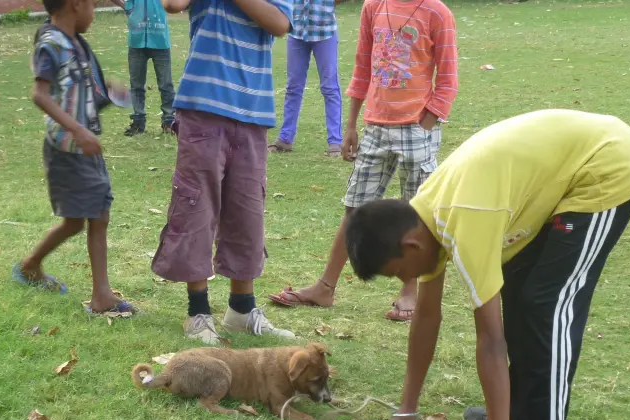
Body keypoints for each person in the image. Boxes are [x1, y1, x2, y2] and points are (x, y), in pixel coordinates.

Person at [345, 110, 630, 420]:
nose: (404, 281)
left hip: (608, 167)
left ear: (411, 247)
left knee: (546, 305)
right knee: (520, 295)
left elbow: (490, 341)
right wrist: (406, 410)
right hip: (558, 177)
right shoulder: (422, 217)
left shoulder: (464, 221)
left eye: (398, 273)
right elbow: (426, 319)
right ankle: (519, 414)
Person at [269, 0, 458, 322]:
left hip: (416, 127)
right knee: (355, 207)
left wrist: (426, 122)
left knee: (417, 212)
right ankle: (325, 287)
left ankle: (409, 290)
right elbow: (362, 67)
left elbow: (448, 76)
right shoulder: (373, 6)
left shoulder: (437, 12)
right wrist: (352, 124)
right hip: (375, 125)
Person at [151, 0, 295, 345]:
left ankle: (242, 311)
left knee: (247, 213)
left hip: (252, 113)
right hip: (202, 109)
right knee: (196, 208)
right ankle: (198, 313)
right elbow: (172, 4)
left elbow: (279, 22)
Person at [13, 0, 136, 315]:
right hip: (67, 149)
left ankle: (30, 265)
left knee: (78, 222)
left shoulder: (76, 44)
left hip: (83, 146)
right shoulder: (51, 44)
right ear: (76, 4)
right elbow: (39, 94)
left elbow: (74, 94)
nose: (94, 12)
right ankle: (101, 297)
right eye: (92, 5)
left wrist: (106, 94)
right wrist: (79, 131)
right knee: (96, 216)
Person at [268, 0, 345, 157]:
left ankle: (335, 142)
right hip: (297, 31)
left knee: (330, 88)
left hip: (325, 31)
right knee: (293, 88)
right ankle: (285, 139)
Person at [109, 0, 176, 136]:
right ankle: (138, 122)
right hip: (136, 39)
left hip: (160, 38)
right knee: (136, 85)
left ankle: (169, 121)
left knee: (166, 85)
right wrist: (126, 6)